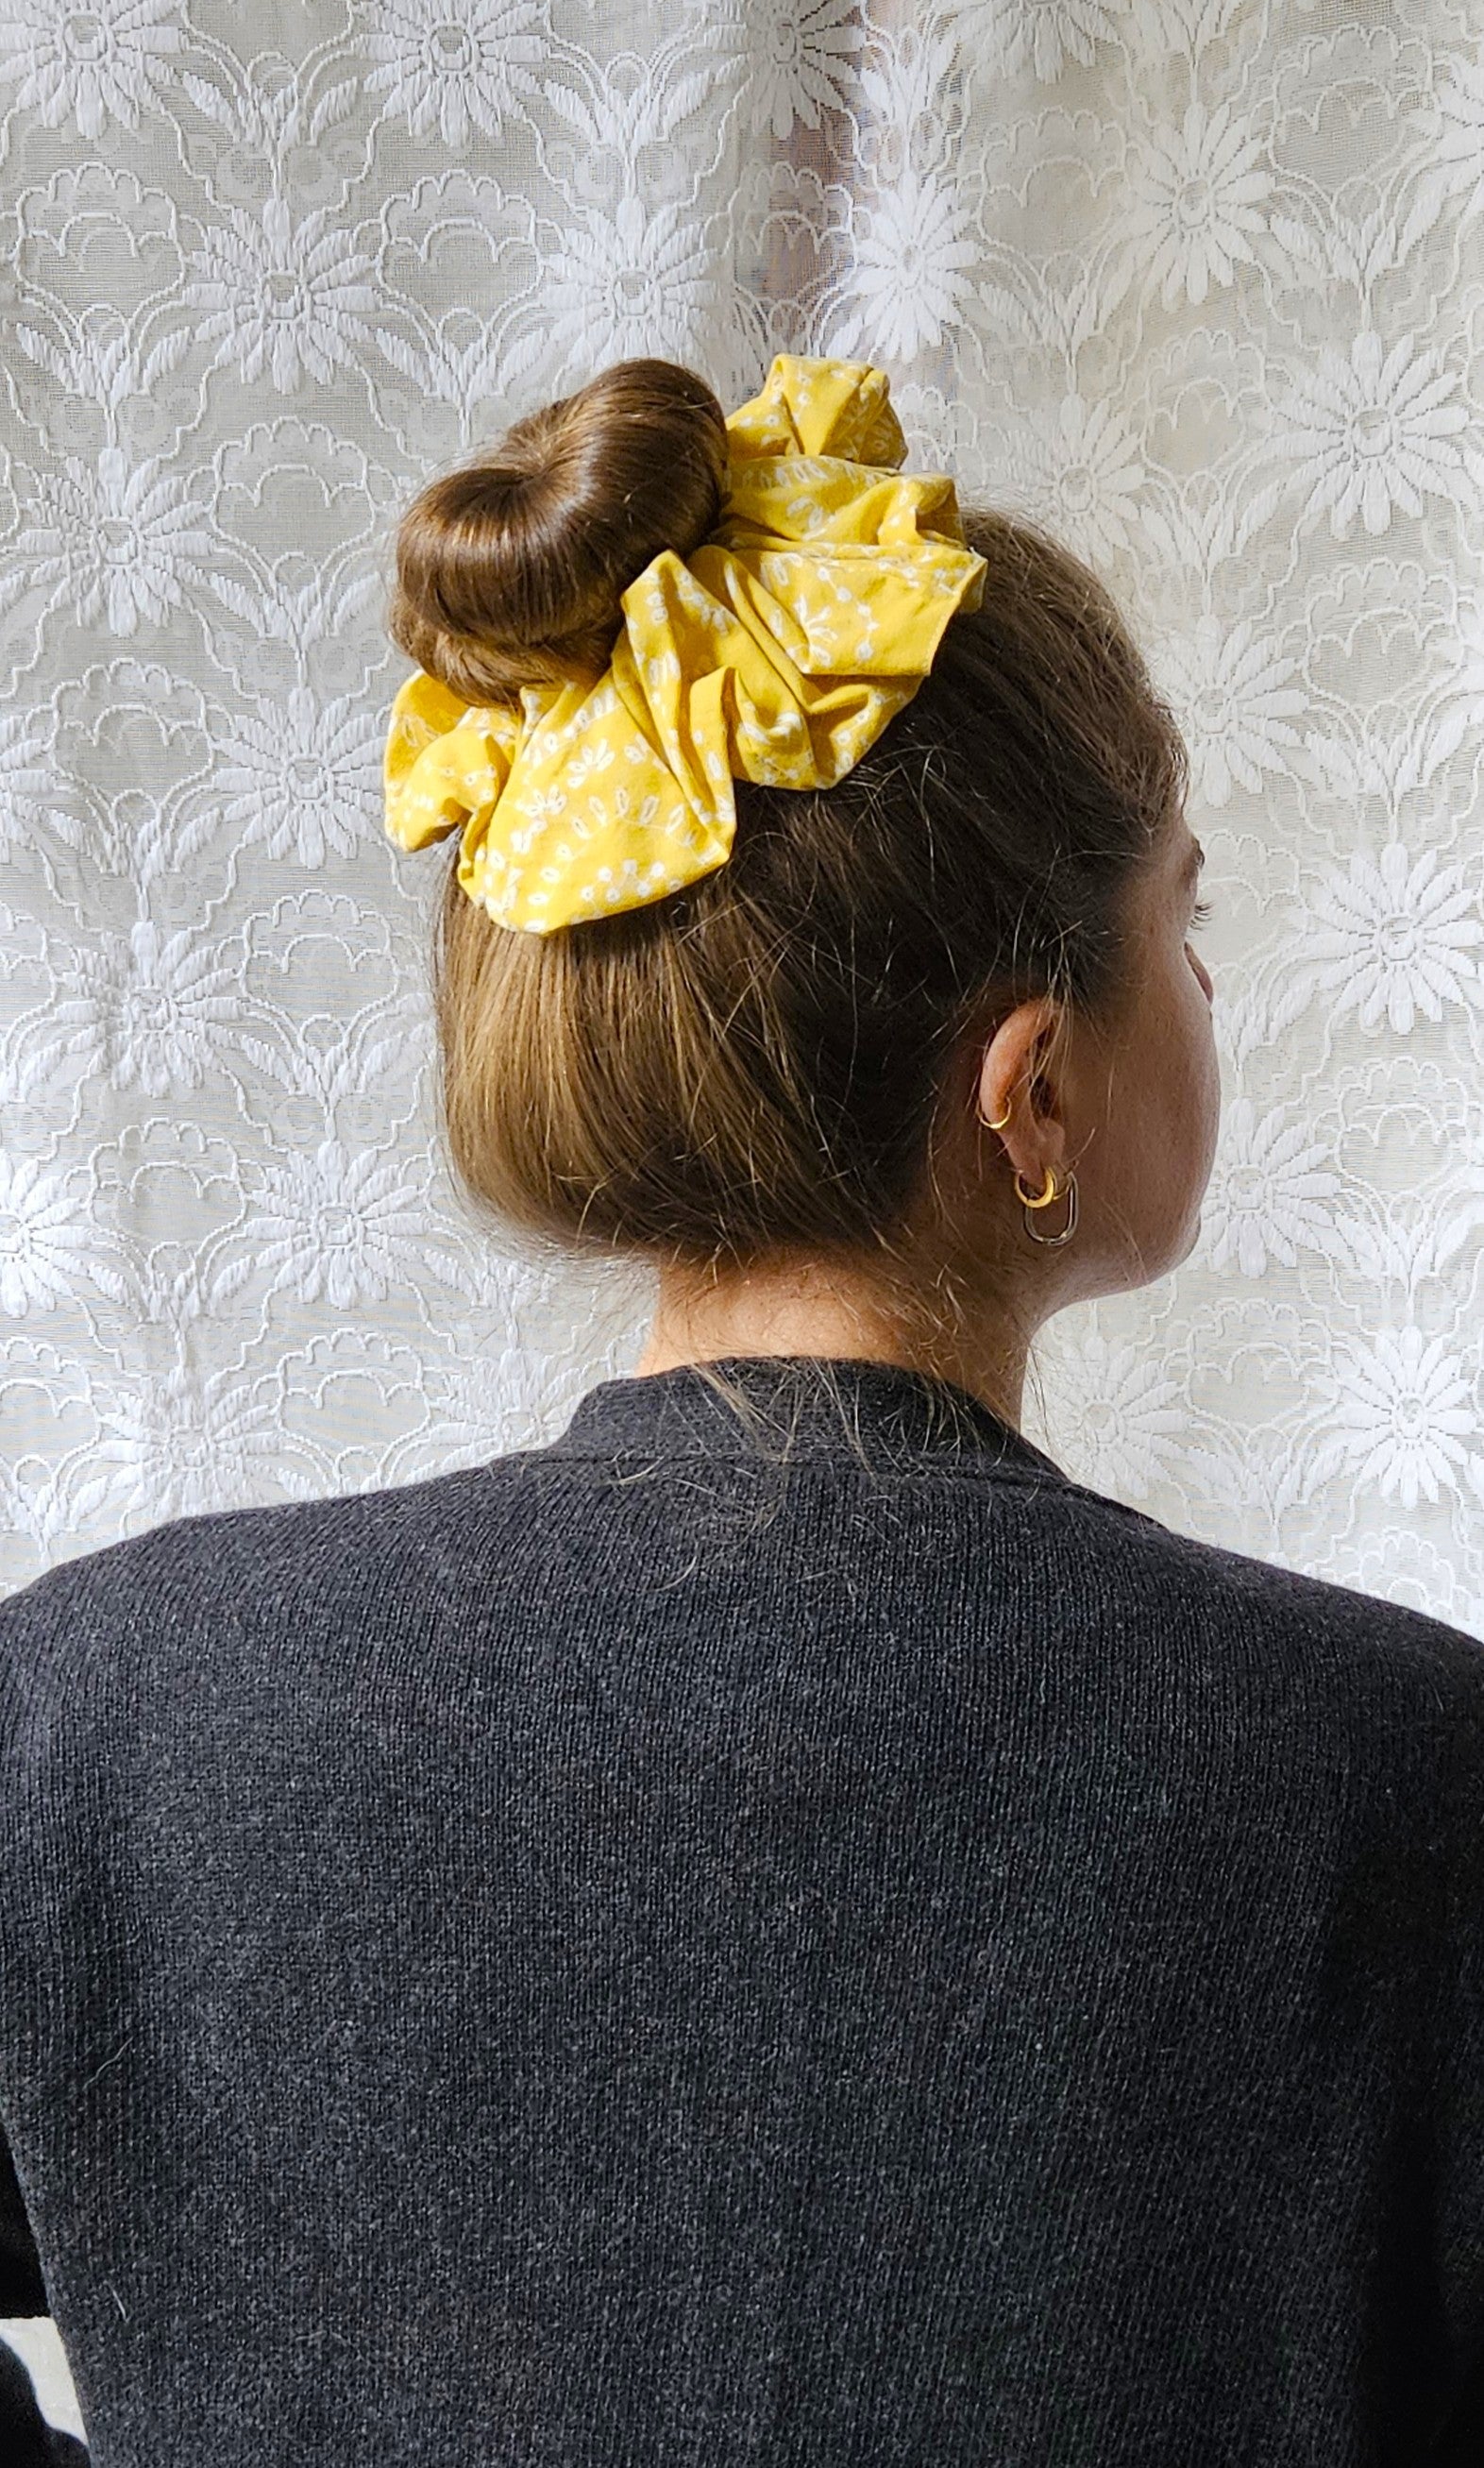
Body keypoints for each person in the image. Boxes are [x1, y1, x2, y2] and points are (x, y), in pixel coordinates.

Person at [0, 351, 1479, 2464]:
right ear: (1033, 1084)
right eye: (1186, 915)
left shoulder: (94, 1716)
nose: (1214, 986)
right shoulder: (1410, 1794)